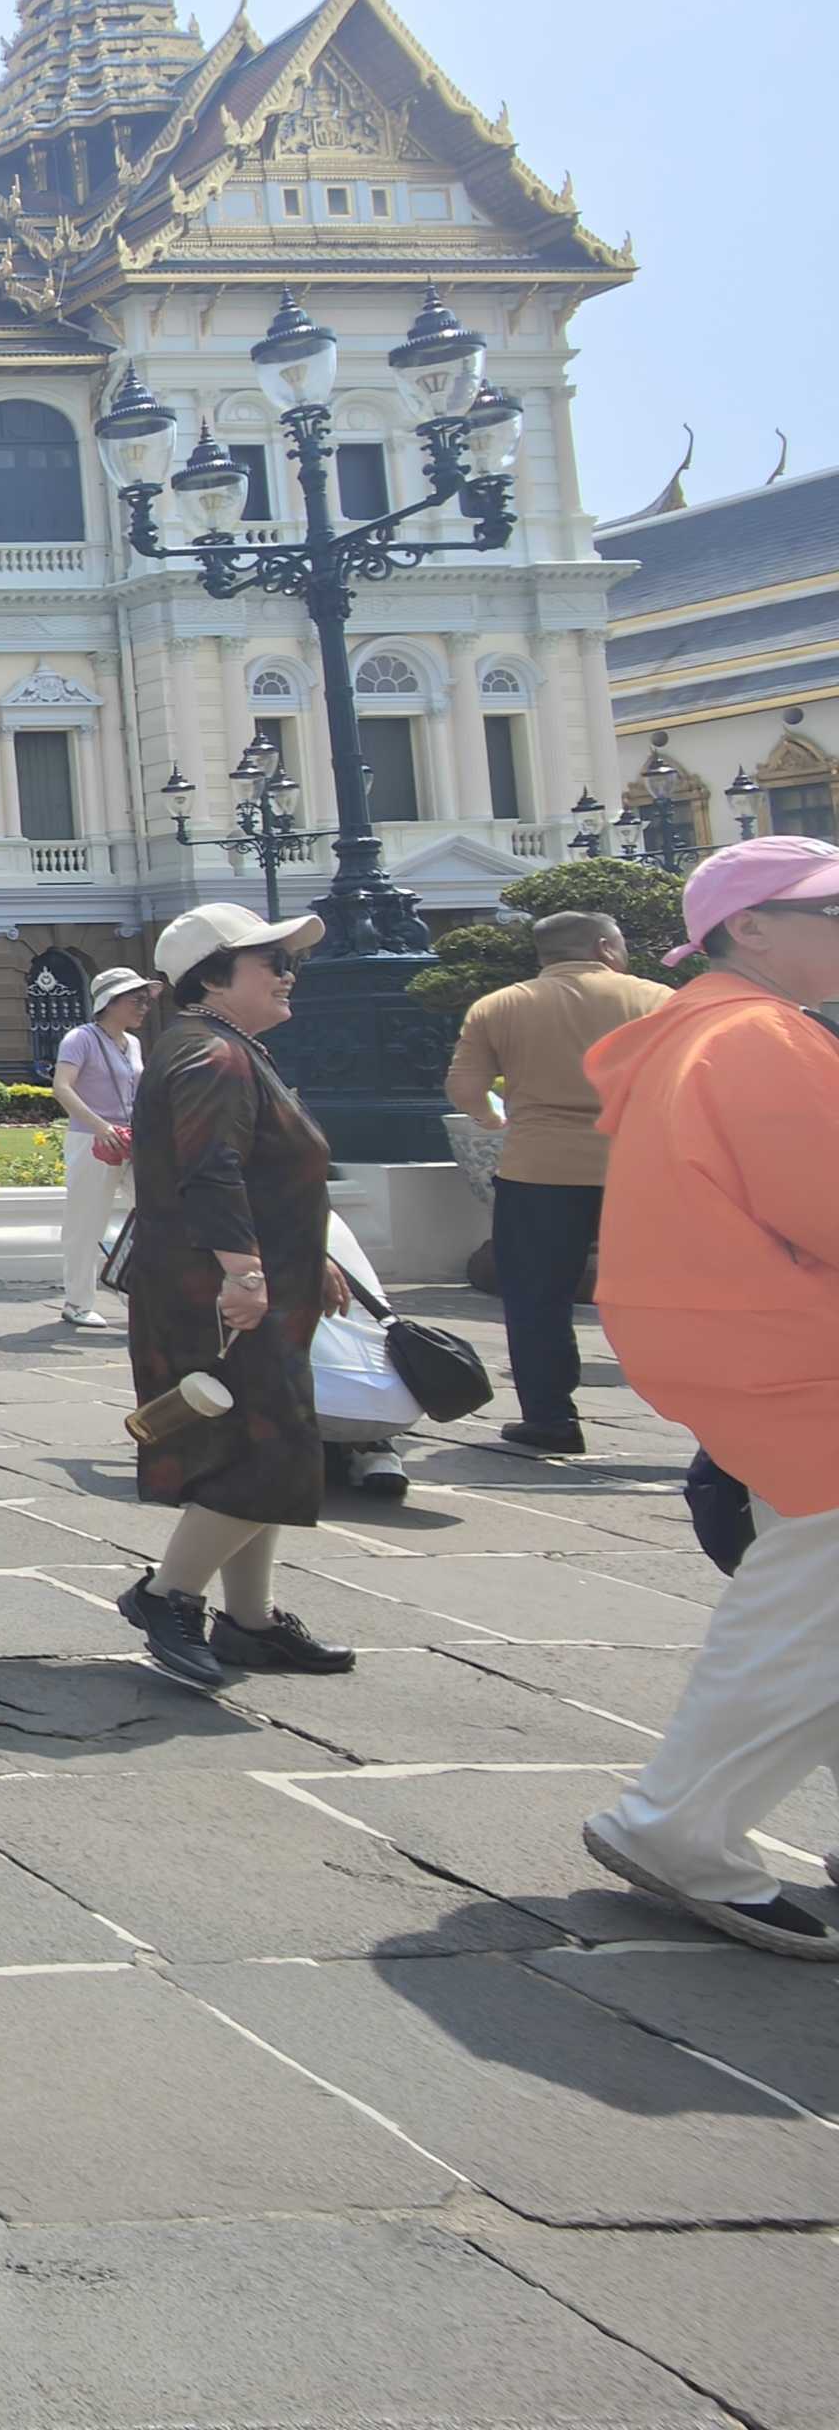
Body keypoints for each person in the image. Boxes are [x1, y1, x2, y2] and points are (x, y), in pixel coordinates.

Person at [578, 837, 839, 1957]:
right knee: (801, 1610)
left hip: (746, 1343)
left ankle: (679, 1820)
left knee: (811, 1604)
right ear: (750, 928)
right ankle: (675, 1825)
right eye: (824, 908)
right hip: (796, 1353)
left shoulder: (711, 1029)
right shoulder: (756, 1037)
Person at [116, 904, 355, 1693]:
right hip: (217, 1293)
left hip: (244, 1284)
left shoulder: (226, 1049)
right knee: (270, 1454)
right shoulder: (211, 1056)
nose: (287, 974)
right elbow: (211, 1169)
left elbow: (260, 1173)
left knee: (257, 1457)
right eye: (268, 962)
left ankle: (249, 1621)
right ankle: (166, 1596)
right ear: (211, 977)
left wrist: (303, 1259)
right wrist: (245, 1272)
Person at [448, 909, 675, 1457]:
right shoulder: (660, 1000)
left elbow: (465, 1088)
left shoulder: (500, 1005)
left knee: (536, 1298)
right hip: (639, 1167)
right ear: (604, 947)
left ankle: (550, 1418)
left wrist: (491, 1120)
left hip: (538, 1170)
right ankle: (706, 1417)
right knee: (670, 1296)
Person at [55, 968, 156, 1327]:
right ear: (110, 1003)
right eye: (136, 999)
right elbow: (62, 1088)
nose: (144, 1006)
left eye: (146, 999)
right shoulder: (80, 1039)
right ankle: (77, 1302)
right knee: (85, 1222)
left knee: (156, 1213)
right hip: (91, 1140)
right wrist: (100, 1127)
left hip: (131, 1140)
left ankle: (138, 1291)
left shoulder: (134, 1043)